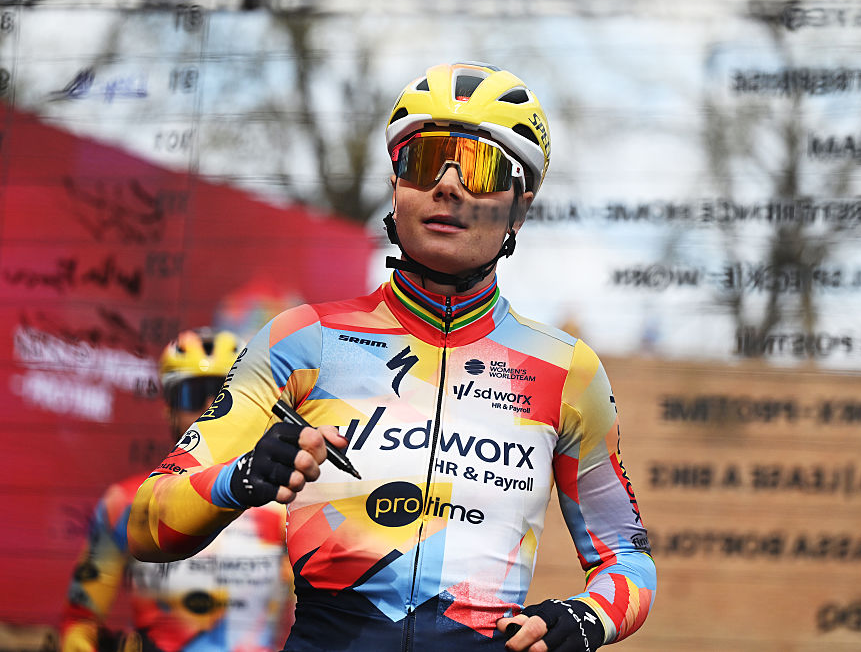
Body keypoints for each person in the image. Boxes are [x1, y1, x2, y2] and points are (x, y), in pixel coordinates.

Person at [128, 62, 656, 651]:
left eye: (479, 170)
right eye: (426, 163)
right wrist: (242, 478)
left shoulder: (568, 372)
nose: (448, 187)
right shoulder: (300, 340)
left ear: (519, 205)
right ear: (397, 184)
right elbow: (146, 521)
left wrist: (580, 621)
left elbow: (629, 564)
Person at [62, 328, 293, 652]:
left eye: (225, 393)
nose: (211, 407)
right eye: (193, 393)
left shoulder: (285, 504)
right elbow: (80, 620)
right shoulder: (125, 503)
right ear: (168, 408)